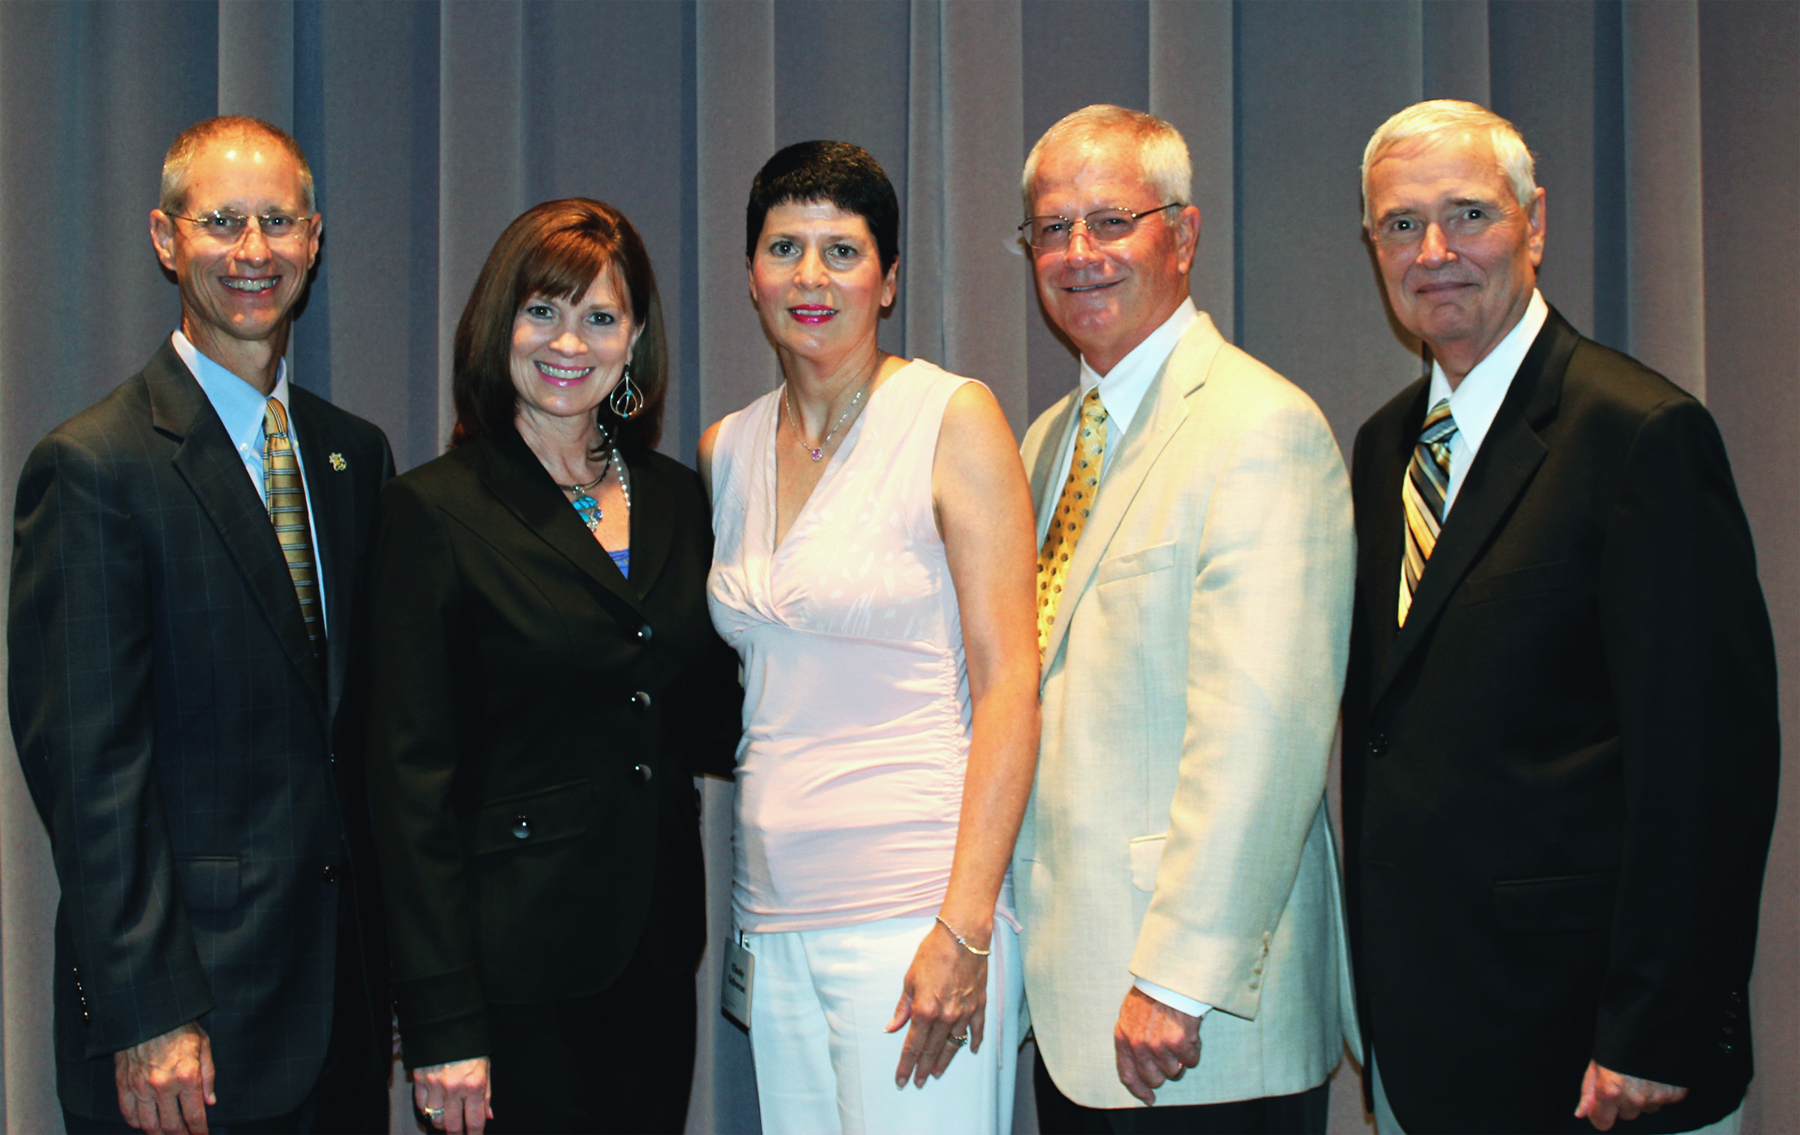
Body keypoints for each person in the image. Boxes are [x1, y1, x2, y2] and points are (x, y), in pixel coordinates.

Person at [1344, 99, 1779, 1135]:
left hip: (1593, 1054)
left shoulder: (1641, 436)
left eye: (1469, 216)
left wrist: (1657, 1028)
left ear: (1536, 224)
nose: (1434, 252)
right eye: (1401, 225)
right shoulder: (1383, 447)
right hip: (1428, 1041)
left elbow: (1709, 765)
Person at [8, 116, 393, 1135]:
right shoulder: (94, 466)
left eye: (278, 222)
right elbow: (89, 772)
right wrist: (149, 1011)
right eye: (222, 222)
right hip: (187, 1036)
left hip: (341, 1016)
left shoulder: (355, 457)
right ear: (165, 238)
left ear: (315, 238)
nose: (254, 252)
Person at [1013, 105, 1358, 1134]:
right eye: (1051, 228)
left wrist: (1178, 977)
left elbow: (1264, 734)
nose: (1080, 254)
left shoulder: (1261, 427)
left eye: (1112, 221)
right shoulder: (1042, 447)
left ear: (1186, 234)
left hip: (1193, 1025)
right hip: (1075, 1007)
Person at [363, 198, 740, 1135]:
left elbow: (700, 711)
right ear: (501, 325)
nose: (570, 341)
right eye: (544, 310)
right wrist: (440, 1017)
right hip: (507, 978)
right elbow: (407, 787)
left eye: (600, 317)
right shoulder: (433, 511)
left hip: (653, 957)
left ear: (635, 340)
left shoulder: (679, 499)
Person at [700, 140, 1040, 1133]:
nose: (811, 277)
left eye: (842, 251)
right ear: (750, 273)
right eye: (784, 247)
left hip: (916, 913)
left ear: (888, 280)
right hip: (773, 920)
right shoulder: (726, 446)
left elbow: (1012, 680)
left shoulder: (951, 417)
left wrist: (965, 929)